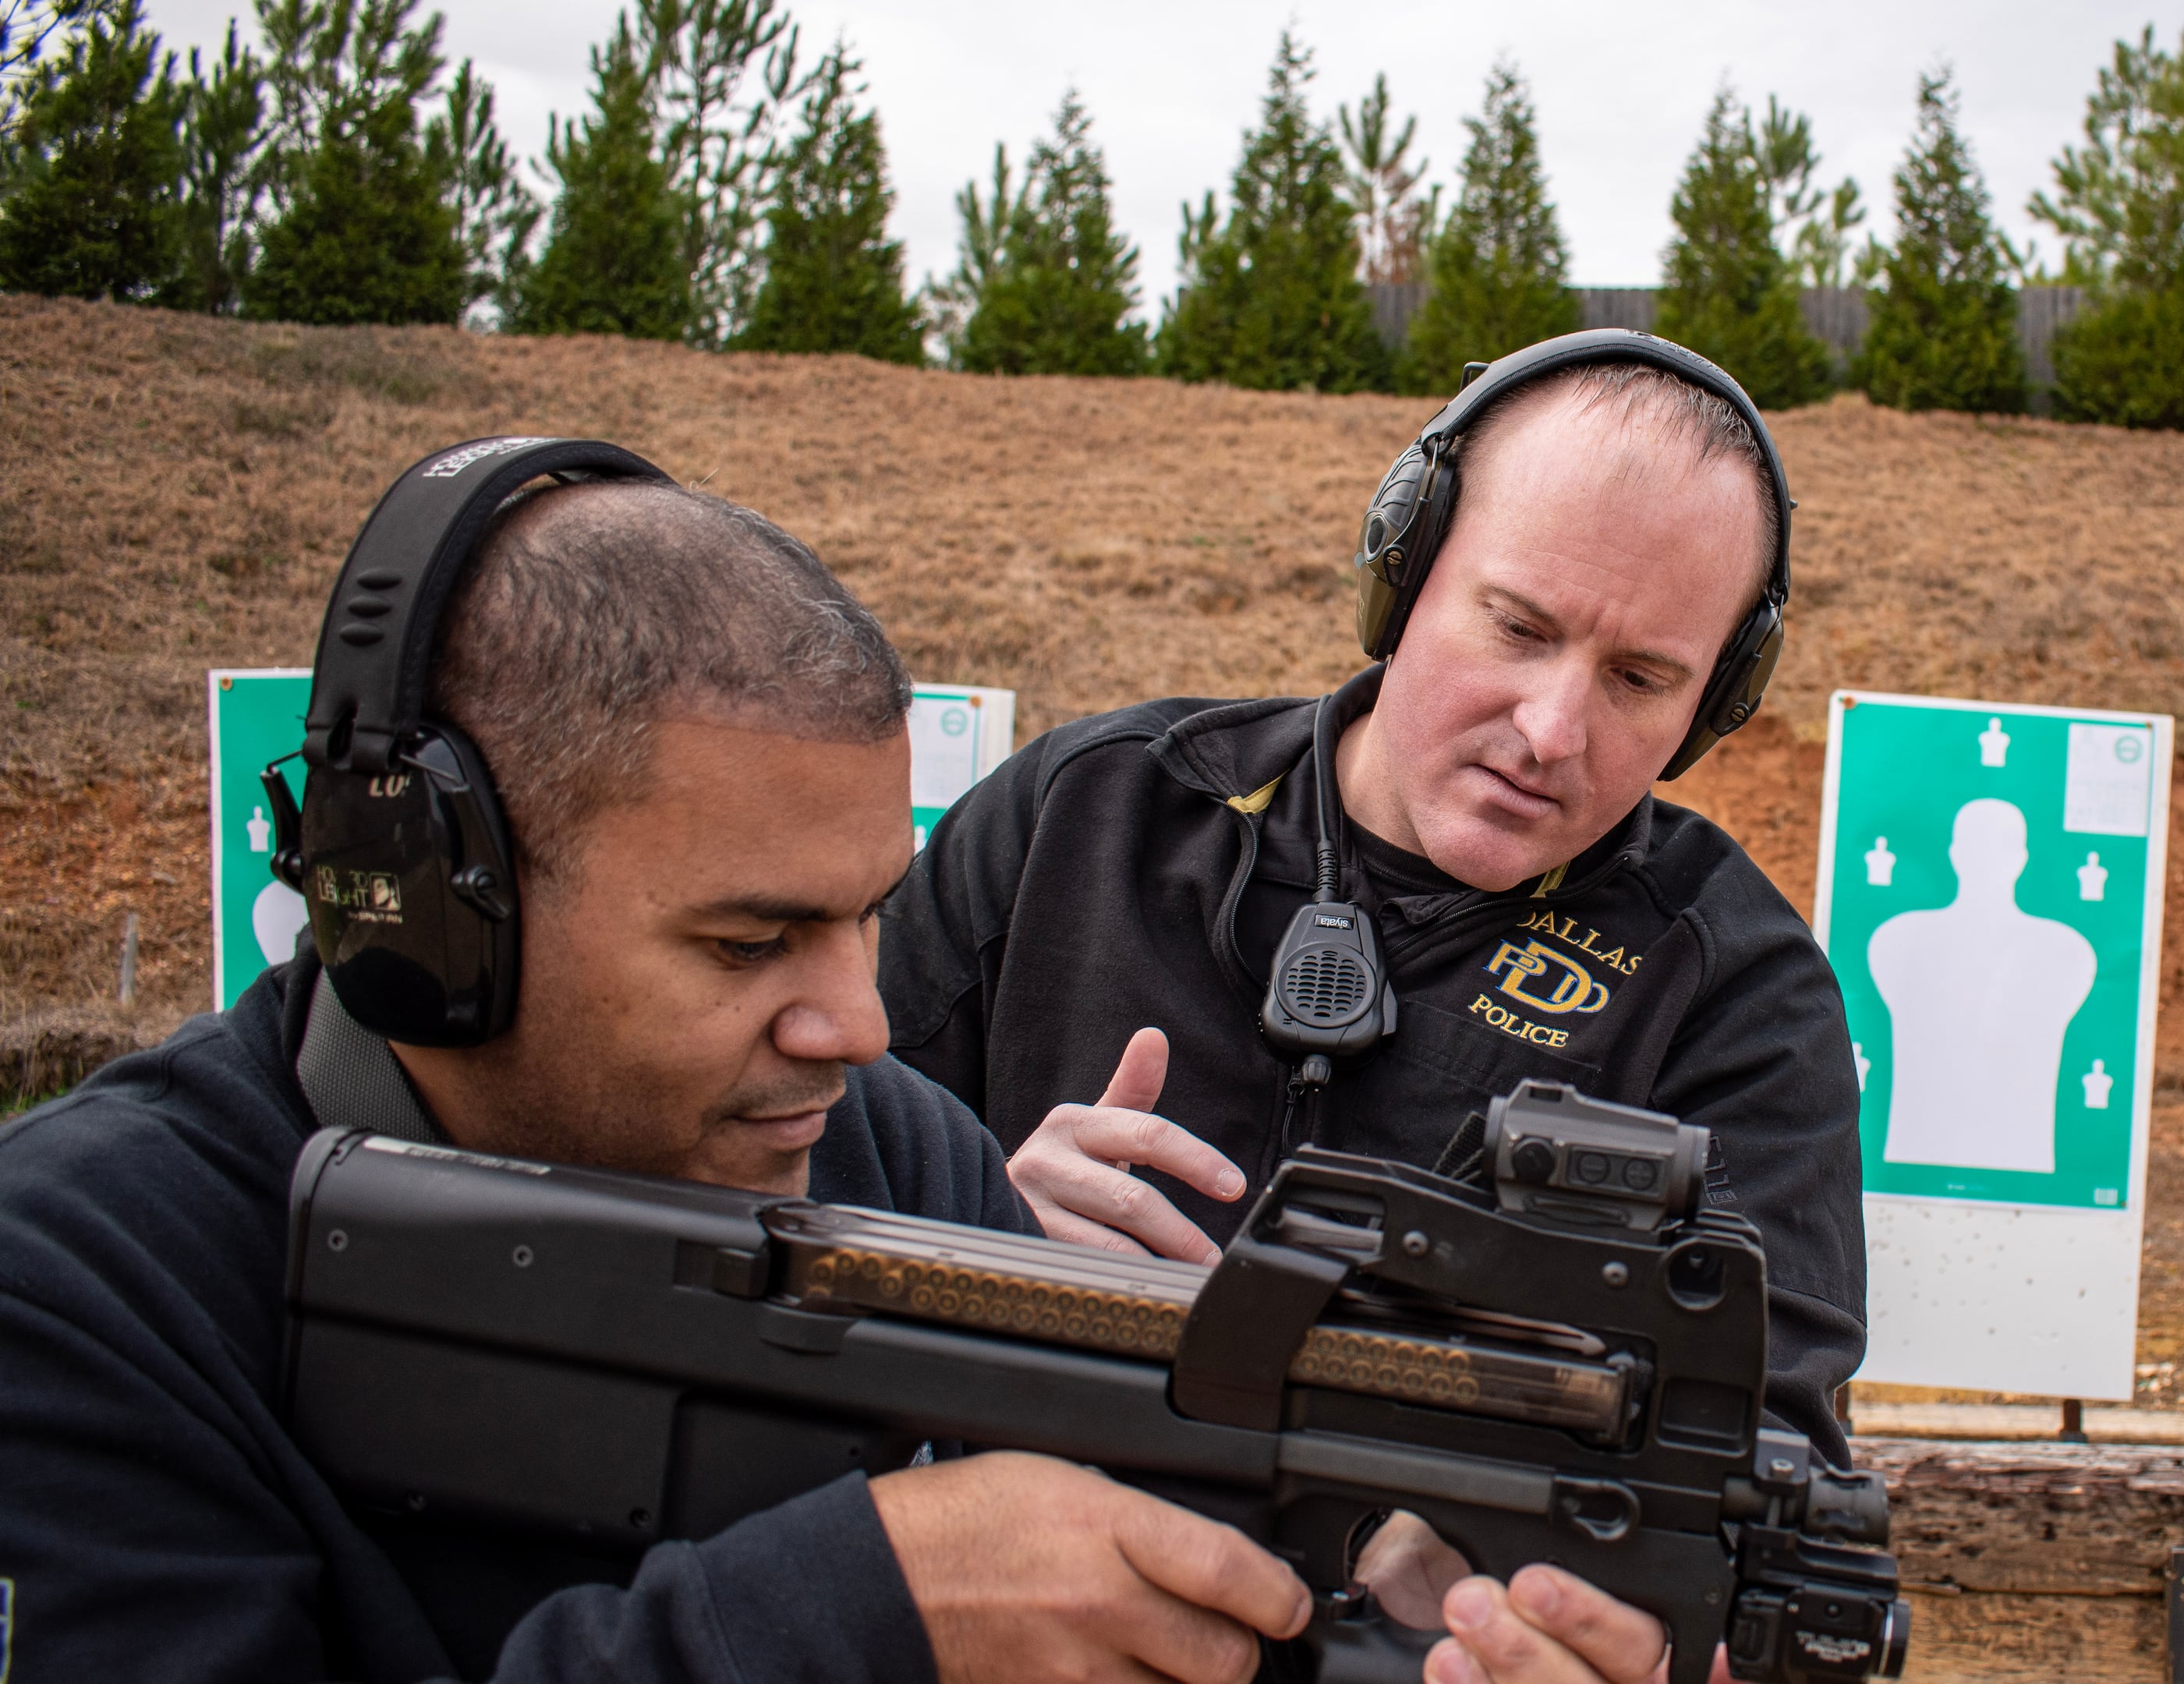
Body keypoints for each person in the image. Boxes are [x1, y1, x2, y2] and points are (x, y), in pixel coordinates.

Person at [0, 457, 1662, 1684]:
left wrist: (1403, 1601)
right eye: (747, 945)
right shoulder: (79, 1288)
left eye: (870, 919)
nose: (856, 1026)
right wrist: (851, 1618)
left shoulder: (893, 1162)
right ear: (426, 912)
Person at [879, 333, 1867, 1465]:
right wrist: (979, 1242)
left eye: (1640, 680)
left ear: (1715, 703)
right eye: (1518, 628)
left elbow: (1766, 1434)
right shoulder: (1081, 816)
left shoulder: (1733, 990)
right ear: (1401, 574)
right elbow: (783, 1191)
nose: (1550, 733)